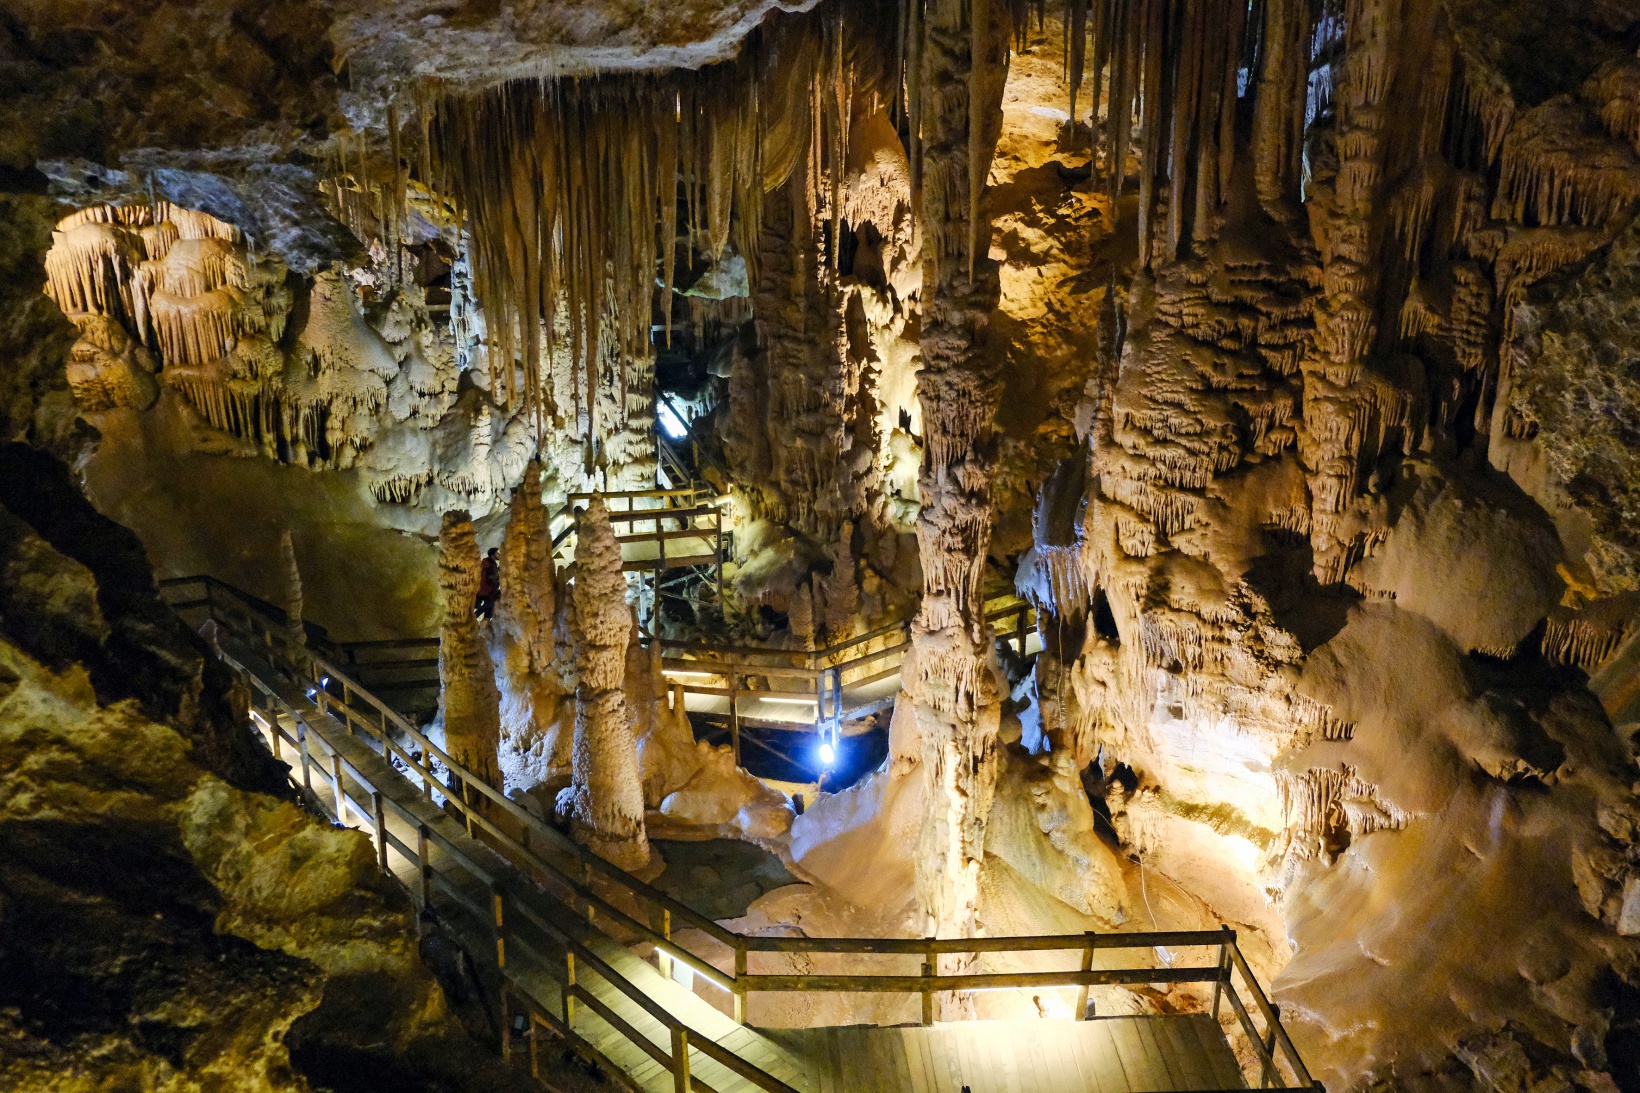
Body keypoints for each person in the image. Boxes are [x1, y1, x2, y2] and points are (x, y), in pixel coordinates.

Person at [475, 547, 500, 620]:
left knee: (491, 605)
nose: (498, 554)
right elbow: (488, 577)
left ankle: (486, 620)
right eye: (496, 553)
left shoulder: (492, 563)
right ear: (492, 555)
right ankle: (476, 616)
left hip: (488, 590)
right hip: (485, 590)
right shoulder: (487, 563)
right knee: (490, 603)